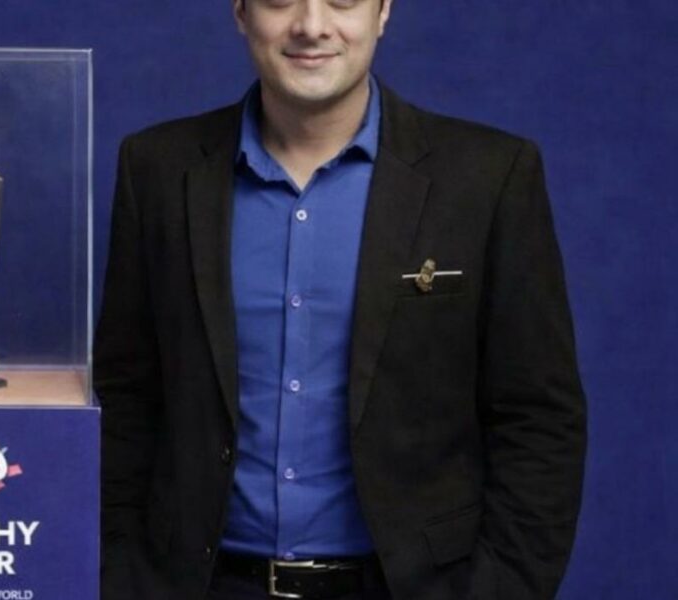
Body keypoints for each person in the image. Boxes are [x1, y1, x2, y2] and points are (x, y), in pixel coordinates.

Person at [94, 0, 587, 598]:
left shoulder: (488, 178)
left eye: (343, 1)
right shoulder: (157, 171)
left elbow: (539, 417)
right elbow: (124, 397)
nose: (312, 25)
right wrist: (119, 575)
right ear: (241, 11)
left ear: (383, 11)